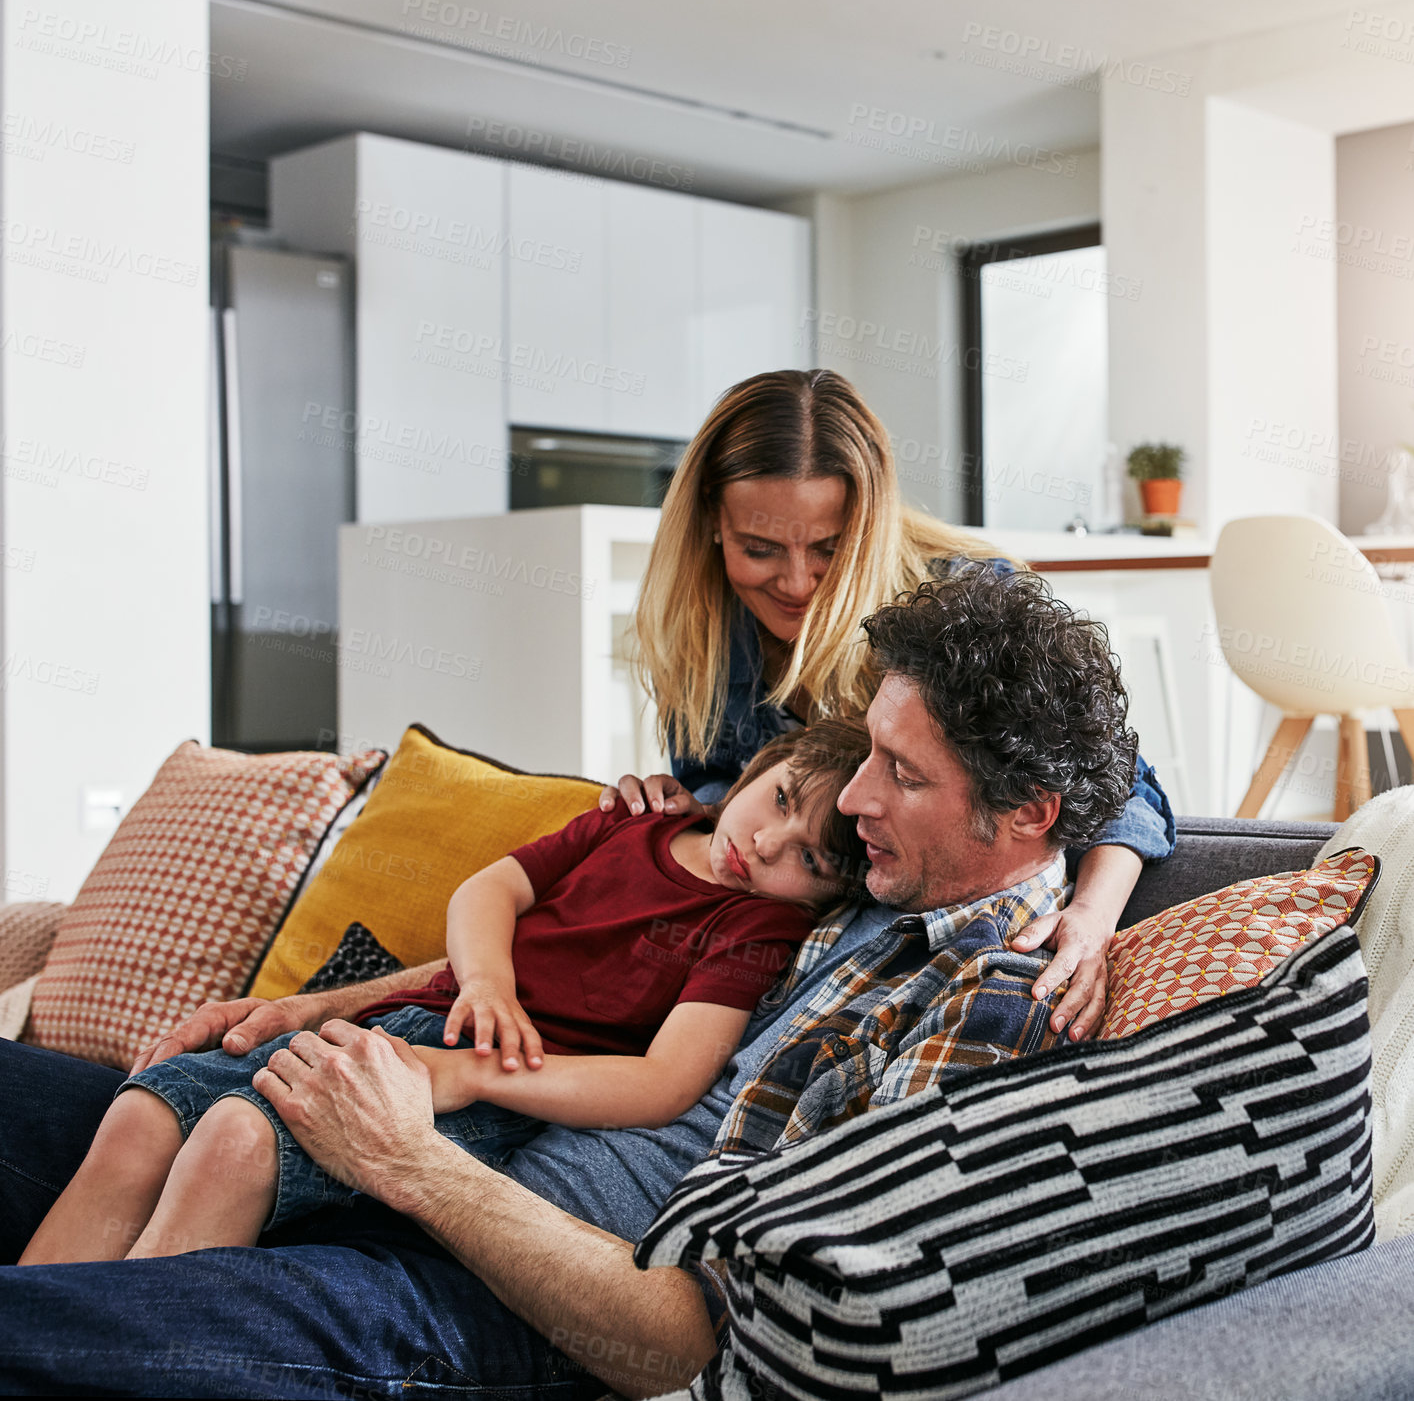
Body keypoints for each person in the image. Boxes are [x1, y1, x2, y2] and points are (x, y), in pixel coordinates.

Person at [0, 566, 1140, 1398]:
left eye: (898, 773)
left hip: (505, 1280)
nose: (847, 805)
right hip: (429, 1133)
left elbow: (733, 1336)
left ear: (1025, 816)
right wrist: (321, 1006)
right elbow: (571, 961)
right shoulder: (874, 879)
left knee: (52, 1325)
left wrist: (410, 1159)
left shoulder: (992, 1002)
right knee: (70, 1104)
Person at [18, 721, 870, 1265]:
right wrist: (488, 980)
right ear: (758, 766)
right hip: (401, 1022)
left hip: (489, 1077)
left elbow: (662, 1082)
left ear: (824, 897)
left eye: (808, 858)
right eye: (780, 799)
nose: (764, 841)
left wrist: (469, 1073)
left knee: (234, 1143)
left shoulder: (755, 928)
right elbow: (485, 893)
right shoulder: (630, 821)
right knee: (139, 1117)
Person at [607, 369, 1174, 1045]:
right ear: (709, 523)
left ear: (869, 525)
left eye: (828, 549)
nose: (794, 583)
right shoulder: (704, 632)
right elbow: (727, 784)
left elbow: (1118, 787)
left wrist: (1092, 913)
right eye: (759, 550)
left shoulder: (958, 601)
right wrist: (688, 808)